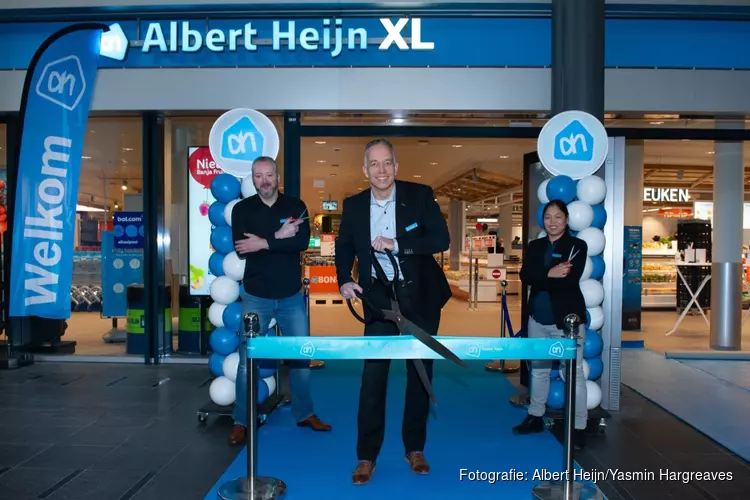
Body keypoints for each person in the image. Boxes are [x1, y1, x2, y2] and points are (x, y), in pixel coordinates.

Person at [335, 139, 451, 485]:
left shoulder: (419, 195)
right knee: (372, 379)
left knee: (419, 375)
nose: (381, 170)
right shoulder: (353, 205)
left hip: (420, 297)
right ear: (365, 170)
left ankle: (415, 448)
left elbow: (440, 239)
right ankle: (366, 456)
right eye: (374, 164)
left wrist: (398, 244)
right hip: (379, 301)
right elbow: (344, 246)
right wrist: (344, 280)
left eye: (387, 163)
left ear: (397, 167)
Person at [229, 156, 331, 445]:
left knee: (301, 356)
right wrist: (278, 237)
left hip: (290, 295)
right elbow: (240, 249)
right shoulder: (242, 209)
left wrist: (261, 242)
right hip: (255, 295)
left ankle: (304, 413)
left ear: (277, 177)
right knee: (247, 360)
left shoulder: (295, 206)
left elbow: (299, 243)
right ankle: (241, 420)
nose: (264, 180)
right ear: (253, 178)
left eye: (269, 175)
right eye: (258, 176)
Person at [512, 199, 589, 449]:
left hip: (567, 321)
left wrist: (541, 275)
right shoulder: (535, 246)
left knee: (572, 374)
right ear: (542, 220)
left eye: (558, 216)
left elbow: (569, 279)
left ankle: (578, 427)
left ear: (566, 219)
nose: (552, 222)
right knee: (539, 371)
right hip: (537, 319)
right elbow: (525, 276)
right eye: (548, 217)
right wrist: (549, 273)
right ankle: (535, 416)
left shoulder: (577, 246)